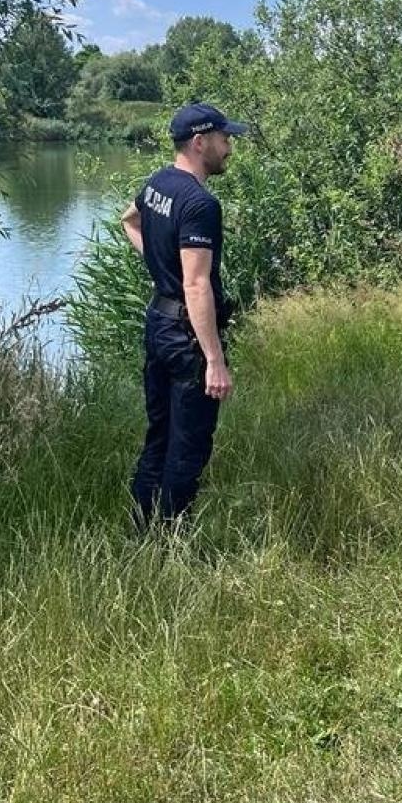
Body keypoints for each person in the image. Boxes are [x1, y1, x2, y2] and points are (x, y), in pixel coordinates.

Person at [119, 101, 248, 528]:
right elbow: (196, 286)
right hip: (184, 336)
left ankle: (141, 528)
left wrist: (161, 268)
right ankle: (172, 541)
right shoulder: (199, 203)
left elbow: (129, 220)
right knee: (187, 444)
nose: (229, 147)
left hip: (158, 322)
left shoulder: (157, 183)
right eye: (224, 138)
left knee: (159, 432)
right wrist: (214, 360)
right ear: (200, 142)